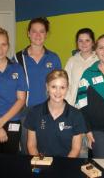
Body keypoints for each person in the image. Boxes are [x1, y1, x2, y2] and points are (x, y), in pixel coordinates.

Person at [14, 17, 62, 154]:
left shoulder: (53, 58)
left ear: (46, 34)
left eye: (42, 31)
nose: (38, 35)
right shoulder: (17, 58)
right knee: (27, 150)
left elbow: (59, 86)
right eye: (34, 31)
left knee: (47, 149)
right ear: (28, 33)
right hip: (25, 112)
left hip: (49, 111)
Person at [24, 69, 86, 157]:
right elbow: (31, 145)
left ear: (67, 88)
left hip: (65, 164)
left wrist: (64, 167)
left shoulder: (76, 115)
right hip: (41, 162)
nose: (58, 92)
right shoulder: (34, 112)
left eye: (62, 87)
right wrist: (40, 163)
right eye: (54, 87)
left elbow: (76, 149)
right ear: (47, 87)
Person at [65, 28, 98, 106]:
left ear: (93, 42)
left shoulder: (99, 60)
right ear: (77, 43)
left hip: (94, 105)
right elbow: (65, 83)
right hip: (74, 106)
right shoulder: (71, 61)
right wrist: (68, 102)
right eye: (80, 41)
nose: (84, 43)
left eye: (87, 40)